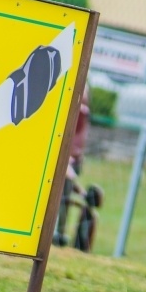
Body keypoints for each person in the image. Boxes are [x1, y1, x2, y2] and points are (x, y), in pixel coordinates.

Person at [53, 83, 91, 247]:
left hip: (70, 158)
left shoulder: (80, 111)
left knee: (63, 195)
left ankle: (57, 233)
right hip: (63, 157)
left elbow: (74, 145)